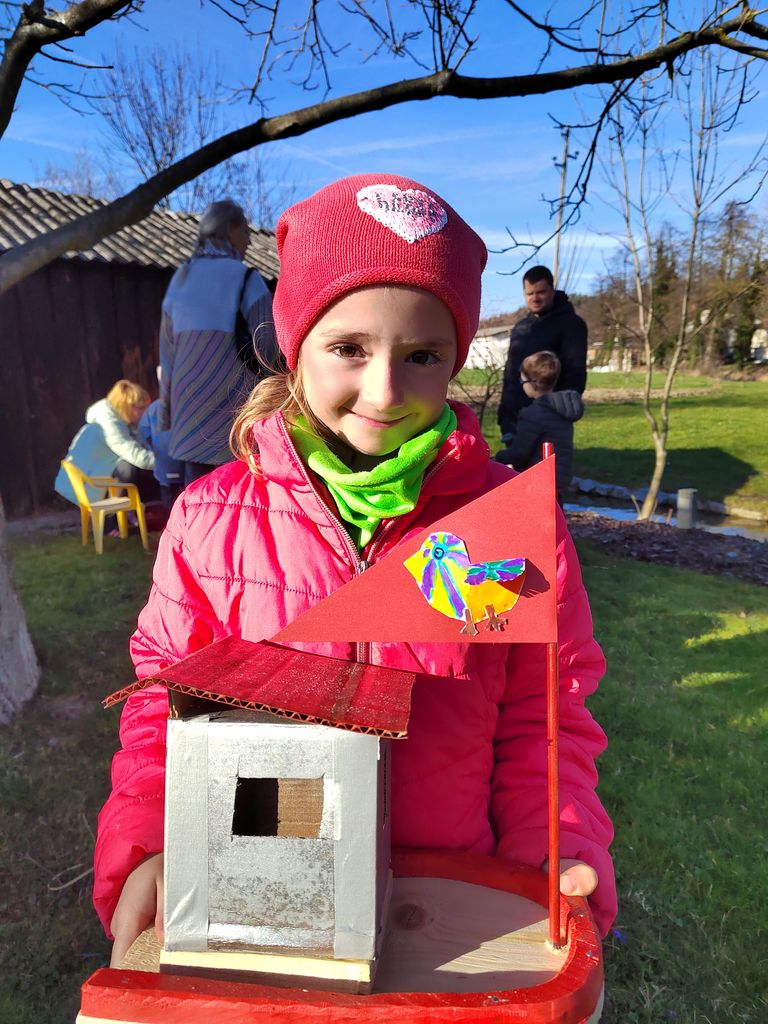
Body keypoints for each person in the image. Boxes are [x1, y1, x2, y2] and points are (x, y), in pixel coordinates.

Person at [93, 174, 616, 968]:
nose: (385, 389)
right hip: (265, 903)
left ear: (454, 358)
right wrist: (153, 845)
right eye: (348, 349)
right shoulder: (208, 520)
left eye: (422, 355)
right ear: (294, 345)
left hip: (450, 908)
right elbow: (166, 713)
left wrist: (551, 849)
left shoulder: (509, 523)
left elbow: (548, 717)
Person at [158, 199, 277, 486]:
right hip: (233, 417)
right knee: (240, 496)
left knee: (198, 499)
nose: (249, 240)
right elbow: (269, 348)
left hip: (188, 420)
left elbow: (167, 354)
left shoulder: (181, 279)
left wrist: (165, 414)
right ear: (230, 229)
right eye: (245, 231)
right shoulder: (246, 279)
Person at [497, 266, 587, 444]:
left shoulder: (571, 325)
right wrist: (504, 412)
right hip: (513, 419)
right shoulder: (521, 327)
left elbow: (575, 374)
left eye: (541, 292)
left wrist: (555, 414)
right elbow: (510, 372)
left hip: (548, 420)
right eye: (529, 293)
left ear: (552, 290)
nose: (535, 298)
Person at [496, 350, 584, 500]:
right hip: (559, 479)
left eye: (522, 381)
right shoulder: (561, 409)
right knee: (556, 512)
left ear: (533, 383)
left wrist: (498, 457)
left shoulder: (533, 413)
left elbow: (519, 453)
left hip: (538, 482)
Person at [54, 380, 156, 505]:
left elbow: (140, 445)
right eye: (140, 408)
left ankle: (127, 510)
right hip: (83, 486)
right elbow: (133, 453)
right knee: (128, 468)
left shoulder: (120, 421)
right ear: (126, 406)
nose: (144, 413)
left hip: (88, 477)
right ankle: (116, 513)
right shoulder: (110, 425)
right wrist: (164, 463)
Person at [136, 397, 183, 511]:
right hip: (189, 464)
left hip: (165, 466)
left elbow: (143, 432)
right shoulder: (187, 403)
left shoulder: (153, 408)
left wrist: (154, 449)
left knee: (169, 506)